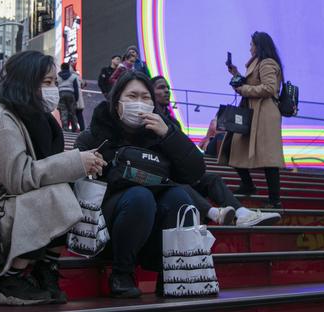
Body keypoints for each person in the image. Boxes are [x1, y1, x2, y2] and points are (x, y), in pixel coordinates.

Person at [0, 50, 106, 305]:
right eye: (46, 82)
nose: (54, 88)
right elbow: (19, 178)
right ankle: (10, 281)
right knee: (56, 192)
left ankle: (46, 269)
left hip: (2, 210)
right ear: (25, 82)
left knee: (69, 186)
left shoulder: (38, 121)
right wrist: (75, 162)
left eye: (55, 82)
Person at [75, 71, 205, 298]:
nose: (139, 103)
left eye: (146, 98)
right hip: (111, 222)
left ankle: (173, 276)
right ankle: (121, 273)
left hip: (154, 221)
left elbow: (195, 172)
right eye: (132, 96)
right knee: (140, 197)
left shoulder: (163, 131)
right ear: (116, 103)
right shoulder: (96, 133)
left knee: (180, 198)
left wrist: (169, 136)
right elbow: (78, 180)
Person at [151, 75, 280, 227]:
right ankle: (214, 214)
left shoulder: (174, 123)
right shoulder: (151, 120)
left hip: (181, 174)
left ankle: (242, 214)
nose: (166, 91)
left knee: (212, 179)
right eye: (161, 87)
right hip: (163, 179)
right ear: (151, 93)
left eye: (167, 87)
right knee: (179, 186)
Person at [220, 31, 285, 209]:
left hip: (264, 114)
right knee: (235, 147)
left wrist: (244, 89)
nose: (250, 48)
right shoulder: (259, 63)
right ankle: (248, 185)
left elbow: (269, 88)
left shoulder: (267, 63)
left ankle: (274, 200)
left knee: (269, 158)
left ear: (259, 45)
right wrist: (236, 74)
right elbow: (253, 84)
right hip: (254, 112)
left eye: (252, 44)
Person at [57, 62, 80, 131]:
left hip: (61, 94)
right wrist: (76, 98)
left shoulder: (57, 76)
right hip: (71, 94)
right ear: (68, 68)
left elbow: (56, 86)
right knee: (72, 111)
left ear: (61, 68)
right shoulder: (73, 76)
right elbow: (76, 88)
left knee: (63, 111)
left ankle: (65, 128)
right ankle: (75, 128)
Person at [69, 56, 87, 130]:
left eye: (75, 61)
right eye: (73, 61)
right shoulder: (73, 73)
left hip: (76, 95)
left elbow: (82, 84)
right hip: (74, 95)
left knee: (75, 112)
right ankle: (79, 128)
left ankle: (76, 128)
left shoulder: (75, 74)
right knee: (76, 112)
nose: (75, 62)